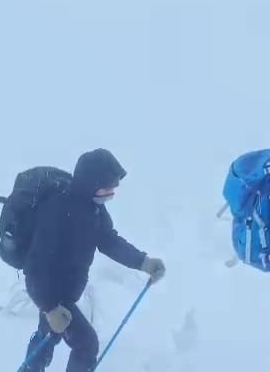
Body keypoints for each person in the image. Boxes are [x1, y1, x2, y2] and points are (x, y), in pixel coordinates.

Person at [21, 148, 166, 372]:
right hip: (52, 294)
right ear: (91, 183)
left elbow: (109, 241)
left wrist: (144, 262)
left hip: (64, 295)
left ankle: (31, 368)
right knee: (86, 344)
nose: (111, 194)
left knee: (48, 337)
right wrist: (49, 307)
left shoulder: (93, 209)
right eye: (107, 188)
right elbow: (35, 266)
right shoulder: (57, 209)